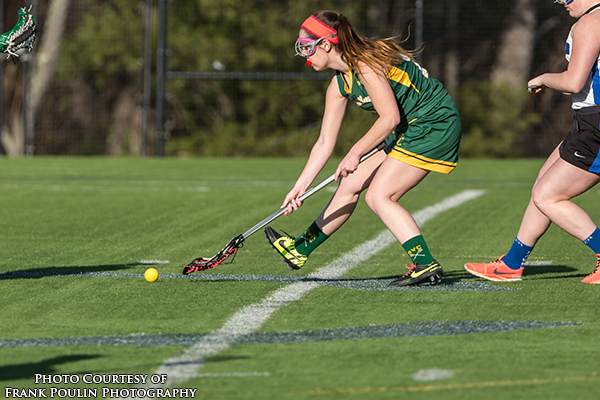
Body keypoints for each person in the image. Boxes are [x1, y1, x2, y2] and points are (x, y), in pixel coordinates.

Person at [264, 11, 462, 287]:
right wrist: (300, 187)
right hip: (409, 127)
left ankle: (424, 263)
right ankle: (300, 249)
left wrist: (355, 152)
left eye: (308, 47)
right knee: (350, 183)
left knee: (379, 196)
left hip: (433, 123)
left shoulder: (365, 65)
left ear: (326, 44)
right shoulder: (338, 83)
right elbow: (324, 142)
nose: (305, 56)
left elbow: (389, 117)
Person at [465, 0, 600, 284]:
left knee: (547, 196)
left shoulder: (590, 23)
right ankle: (511, 264)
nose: (560, 1)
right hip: (587, 122)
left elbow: (574, 82)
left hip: (594, 125)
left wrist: (544, 78)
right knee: (542, 184)